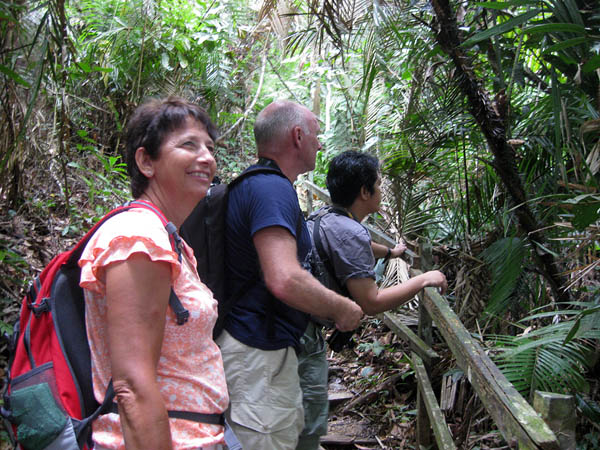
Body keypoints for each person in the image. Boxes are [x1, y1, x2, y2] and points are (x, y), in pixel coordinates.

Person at [78, 97, 229, 450]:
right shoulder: (139, 237)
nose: (206, 157)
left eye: (209, 146)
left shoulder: (165, 236)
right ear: (146, 161)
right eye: (189, 145)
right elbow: (131, 383)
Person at [215, 100, 364, 449]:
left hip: (260, 352)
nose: (320, 144)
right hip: (256, 357)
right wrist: (343, 308)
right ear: (297, 136)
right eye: (316, 134)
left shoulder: (260, 185)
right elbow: (284, 277)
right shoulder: (271, 188)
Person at [296, 150, 448, 450]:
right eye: (379, 184)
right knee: (309, 424)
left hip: (291, 325)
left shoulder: (326, 215)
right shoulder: (349, 229)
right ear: (365, 191)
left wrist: (391, 252)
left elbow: (358, 244)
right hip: (304, 335)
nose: (381, 190)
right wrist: (423, 279)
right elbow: (372, 302)